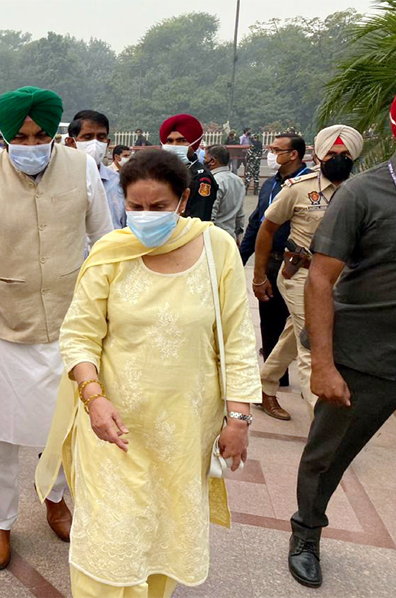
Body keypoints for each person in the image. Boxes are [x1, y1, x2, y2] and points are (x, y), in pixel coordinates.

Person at [36, 148, 261, 597]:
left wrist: (239, 419)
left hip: (184, 431)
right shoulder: (110, 253)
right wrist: (94, 400)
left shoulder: (216, 249)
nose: (145, 216)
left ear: (182, 201)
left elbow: (236, 339)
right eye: (135, 207)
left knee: (165, 537)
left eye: (158, 207)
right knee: (108, 541)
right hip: (112, 429)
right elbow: (79, 335)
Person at [0, 86, 113, 569]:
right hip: (3, 329)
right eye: (21, 136)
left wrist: (108, 317)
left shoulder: (82, 169)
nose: (31, 143)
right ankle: (0, 522)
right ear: (5, 136)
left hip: (71, 329)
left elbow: (104, 241)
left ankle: (55, 501)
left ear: (55, 133)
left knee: (65, 431)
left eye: (41, 134)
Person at [288, 89, 396, 589]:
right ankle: (306, 533)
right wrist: (323, 364)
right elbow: (319, 279)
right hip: (364, 357)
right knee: (327, 454)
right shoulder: (364, 195)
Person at [252, 126, 363, 416]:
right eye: (332, 153)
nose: (338, 158)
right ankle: (320, 418)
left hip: (338, 279)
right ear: (319, 155)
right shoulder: (299, 188)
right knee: (313, 342)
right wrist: (259, 274)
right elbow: (267, 227)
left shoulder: (359, 192)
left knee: (294, 335)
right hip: (301, 273)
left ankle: (264, 385)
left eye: (345, 154)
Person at [240, 133, 310, 420]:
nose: (271, 154)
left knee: (300, 329)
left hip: (301, 268)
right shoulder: (270, 184)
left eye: (276, 150)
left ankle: (271, 382)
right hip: (272, 263)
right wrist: (241, 262)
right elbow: (257, 225)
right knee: (271, 322)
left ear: (293, 154)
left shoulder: (310, 186)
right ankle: (274, 386)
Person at [66, 110, 127, 228]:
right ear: (71, 142)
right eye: (87, 137)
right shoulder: (57, 180)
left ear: (107, 143)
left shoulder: (120, 183)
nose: (95, 143)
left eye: (101, 137)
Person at [160, 114, 219, 221]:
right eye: (169, 141)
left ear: (194, 143)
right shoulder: (161, 172)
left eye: (182, 140)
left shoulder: (200, 177)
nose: (174, 145)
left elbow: (198, 219)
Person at [205, 144, 245, 240]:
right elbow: (240, 213)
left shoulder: (213, 181)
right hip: (230, 236)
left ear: (213, 161)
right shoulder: (238, 180)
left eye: (205, 158)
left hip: (215, 237)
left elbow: (211, 214)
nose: (203, 161)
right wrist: (239, 235)